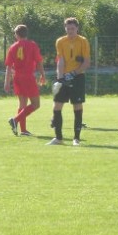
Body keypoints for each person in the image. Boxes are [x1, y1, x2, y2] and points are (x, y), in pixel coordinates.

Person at [47, 17, 90, 146]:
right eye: (68, 28)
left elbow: (87, 62)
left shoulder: (83, 41)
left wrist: (73, 73)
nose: (70, 31)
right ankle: (58, 138)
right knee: (57, 106)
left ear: (77, 28)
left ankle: (76, 139)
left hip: (77, 77)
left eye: (72, 28)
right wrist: (60, 78)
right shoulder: (60, 41)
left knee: (77, 106)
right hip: (64, 77)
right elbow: (61, 61)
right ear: (65, 28)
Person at [5, 25, 46, 137]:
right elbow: (39, 61)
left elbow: (8, 67)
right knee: (36, 104)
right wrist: (43, 74)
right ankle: (15, 120)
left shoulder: (13, 47)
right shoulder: (32, 45)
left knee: (22, 104)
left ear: (17, 35)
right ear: (26, 34)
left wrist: (7, 82)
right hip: (28, 77)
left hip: (17, 77)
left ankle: (23, 130)